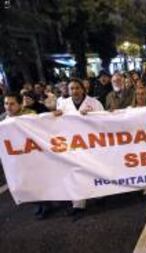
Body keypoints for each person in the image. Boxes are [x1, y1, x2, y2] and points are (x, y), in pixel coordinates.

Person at [54, 78, 104, 220]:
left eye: (77, 88)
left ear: (83, 89)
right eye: (72, 88)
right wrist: (54, 115)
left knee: (94, 170)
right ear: (68, 91)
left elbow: (104, 120)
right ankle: (78, 204)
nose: (75, 91)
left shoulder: (94, 103)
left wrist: (89, 117)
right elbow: (57, 125)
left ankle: (99, 195)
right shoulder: (63, 105)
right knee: (75, 173)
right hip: (73, 145)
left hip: (92, 144)